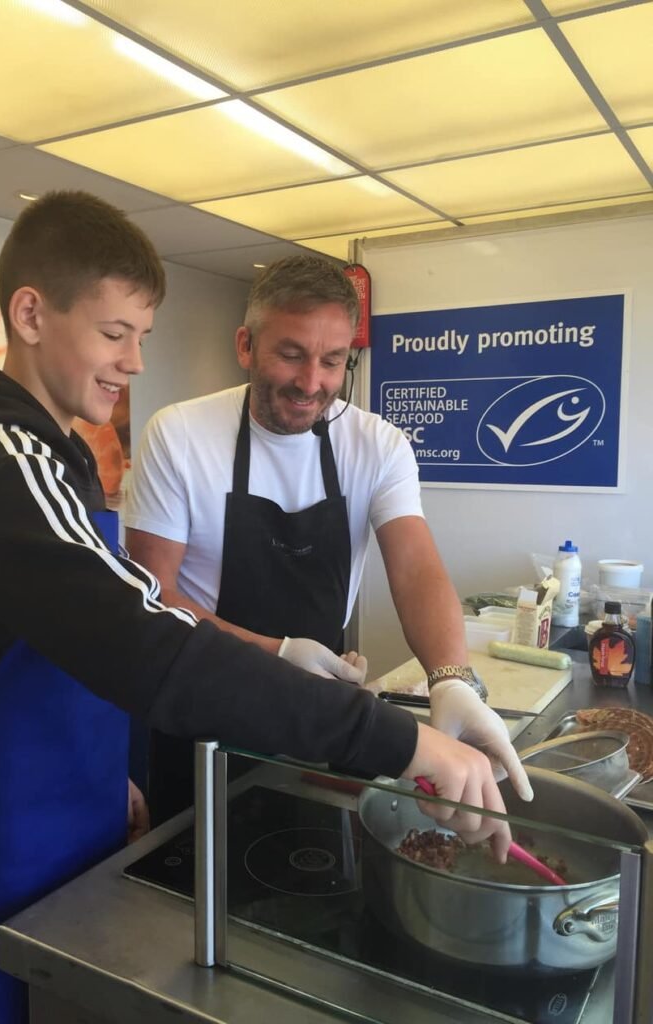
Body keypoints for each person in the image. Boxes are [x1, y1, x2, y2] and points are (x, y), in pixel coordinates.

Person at [0, 192, 513, 1024]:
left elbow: (104, 617)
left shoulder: (60, 455)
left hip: (70, 808)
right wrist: (395, 738)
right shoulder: (10, 463)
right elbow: (147, 636)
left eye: (142, 337)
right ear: (31, 313)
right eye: (116, 334)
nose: (135, 362)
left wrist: (449, 681)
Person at [126, 254, 533, 823]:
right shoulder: (179, 434)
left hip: (319, 714)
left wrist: (452, 680)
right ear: (246, 345)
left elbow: (415, 565)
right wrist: (278, 652)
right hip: (202, 709)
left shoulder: (378, 444)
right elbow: (152, 597)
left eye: (332, 360)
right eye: (290, 354)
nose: (311, 382)